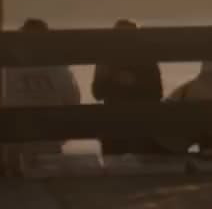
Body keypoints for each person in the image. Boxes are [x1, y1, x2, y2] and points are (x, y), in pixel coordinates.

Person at [1, 19, 83, 175]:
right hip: (46, 137)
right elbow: (73, 99)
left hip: (17, 137)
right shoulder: (59, 67)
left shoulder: (7, 67)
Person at [90, 18, 166, 156]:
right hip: (114, 121)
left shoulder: (147, 60)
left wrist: (135, 83)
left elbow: (157, 93)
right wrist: (107, 79)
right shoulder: (106, 60)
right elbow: (97, 93)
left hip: (141, 120)